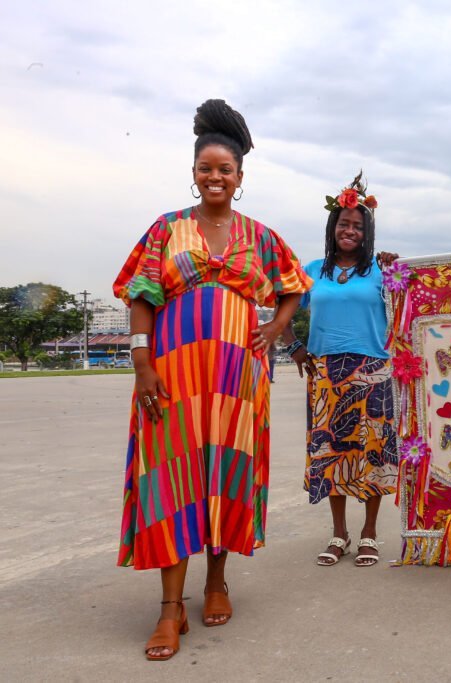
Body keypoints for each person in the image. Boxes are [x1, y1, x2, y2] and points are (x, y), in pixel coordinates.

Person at [113, 99, 311, 661]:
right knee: (171, 477)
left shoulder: (261, 236)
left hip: (238, 377)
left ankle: (217, 581)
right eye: (206, 168)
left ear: (240, 178)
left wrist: (274, 327)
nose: (215, 177)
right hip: (173, 372)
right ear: (194, 173)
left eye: (225, 170)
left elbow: (295, 285)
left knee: (224, 472)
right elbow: (141, 296)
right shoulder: (167, 229)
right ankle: (170, 610)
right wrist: (141, 362)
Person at [278, 173, 399, 568]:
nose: (350, 231)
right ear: (333, 228)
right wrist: (295, 348)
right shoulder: (312, 270)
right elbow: (280, 313)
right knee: (332, 453)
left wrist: (398, 273)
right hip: (326, 375)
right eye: (344, 224)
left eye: (358, 226)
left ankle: (369, 533)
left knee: (373, 453)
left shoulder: (381, 273)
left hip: (374, 371)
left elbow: (410, 311)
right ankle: (339, 533)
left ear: (368, 233)